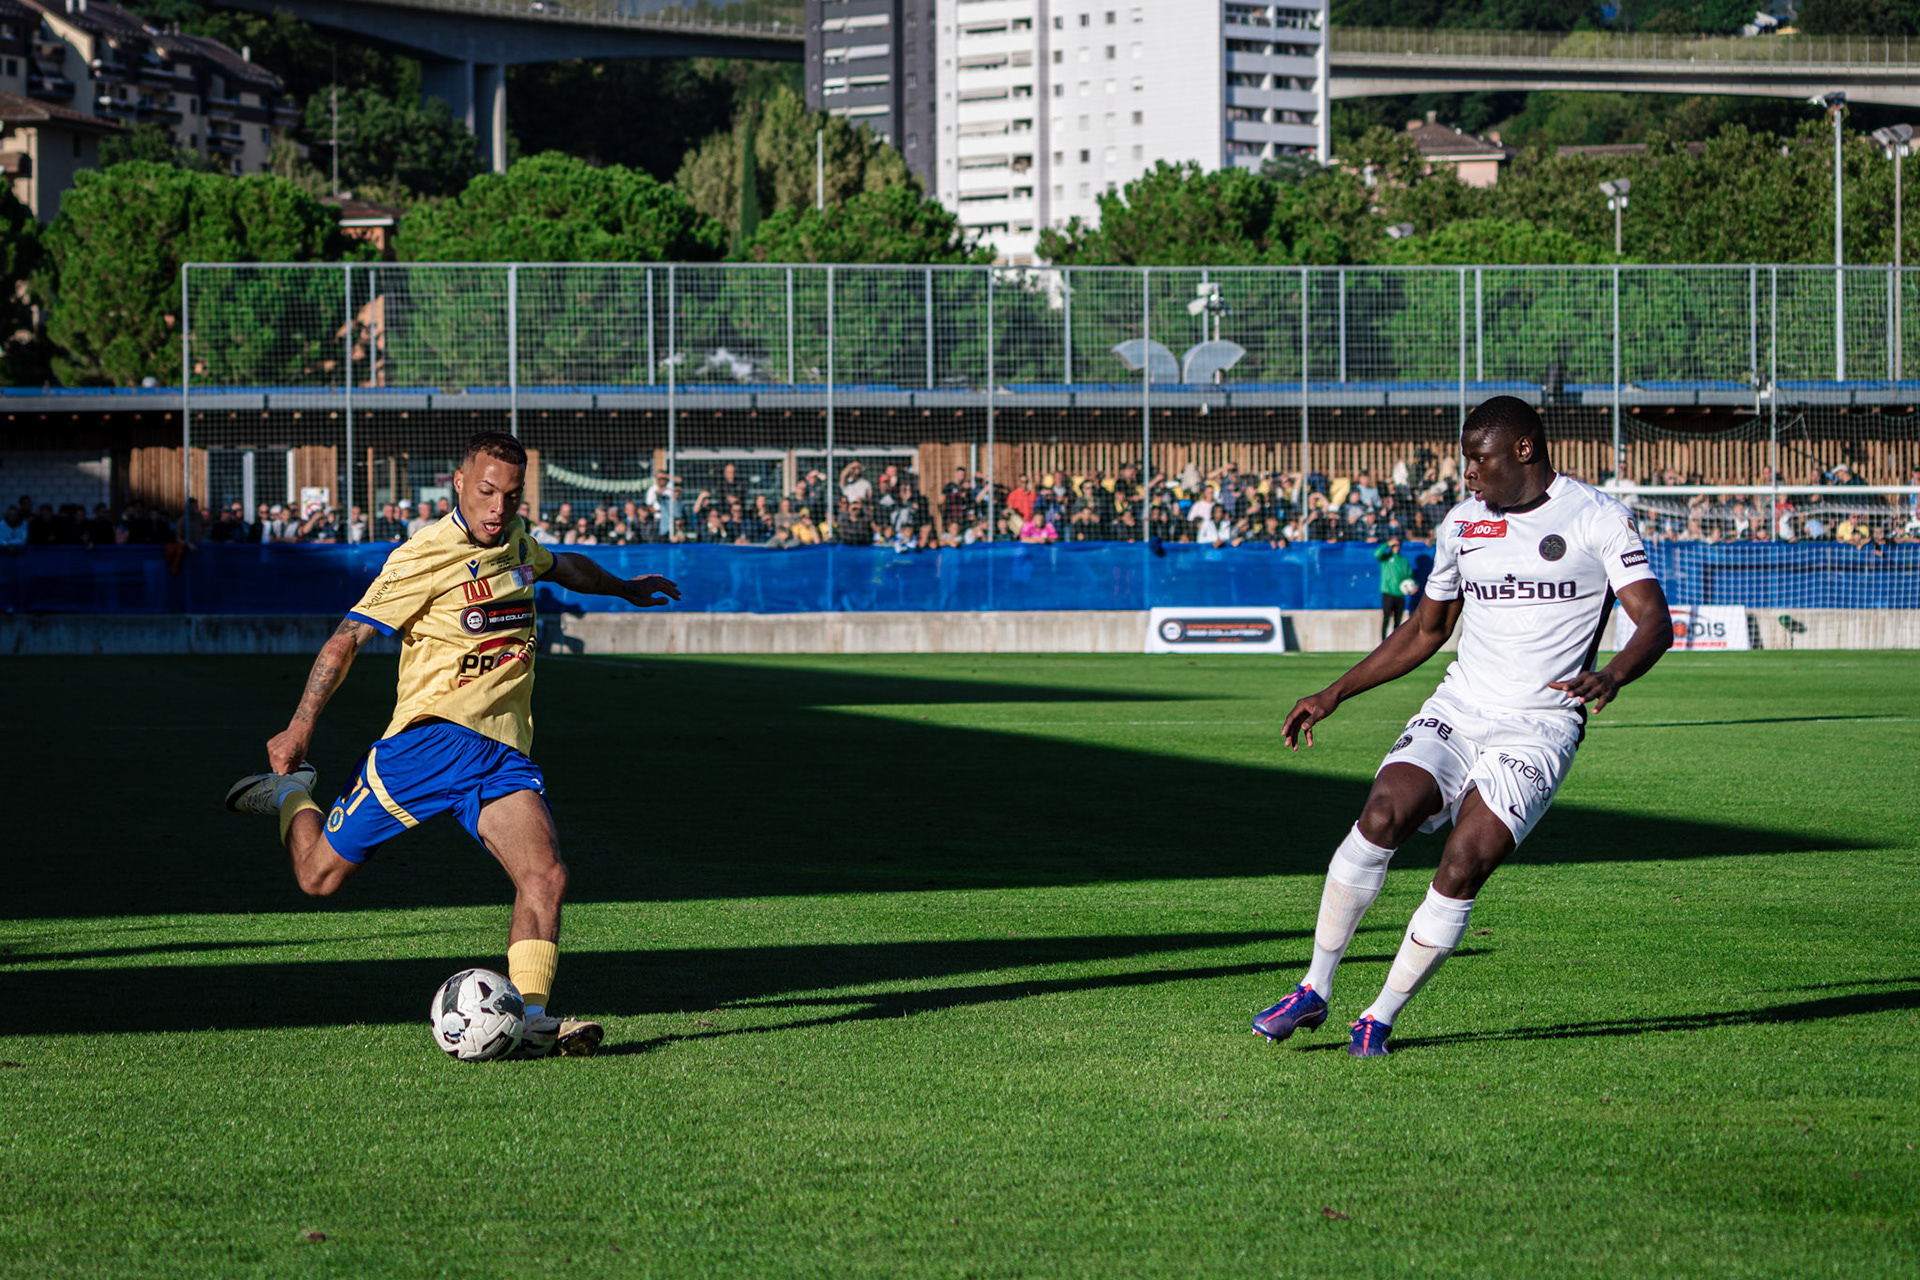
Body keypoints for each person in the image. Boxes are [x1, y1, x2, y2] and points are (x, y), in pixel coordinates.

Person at [223, 431, 681, 1059]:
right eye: (487, 492)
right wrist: (301, 726)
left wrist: (624, 586)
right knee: (317, 878)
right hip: (428, 742)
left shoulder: (517, 540)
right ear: (459, 483)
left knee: (544, 875)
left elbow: (563, 564)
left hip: (500, 753)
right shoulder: (423, 555)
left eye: (511, 497)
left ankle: (535, 1021)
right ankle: (289, 794)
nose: (498, 508)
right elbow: (345, 640)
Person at [1252, 397, 1673, 1058]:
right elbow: (1427, 630)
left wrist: (1615, 673)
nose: (1468, 472)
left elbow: (1654, 620)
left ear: (1525, 449)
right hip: (1459, 710)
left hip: (1538, 729)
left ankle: (1379, 1017)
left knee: (1463, 863)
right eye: (1465, 458)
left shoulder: (1596, 518)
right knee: (1383, 814)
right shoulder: (1462, 525)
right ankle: (1313, 988)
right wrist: (1335, 692)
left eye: (1480, 457)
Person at [1375, 537, 1413, 642]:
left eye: (1397, 545)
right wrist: (1387, 544)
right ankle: (1383, 642)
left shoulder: (1403, 560)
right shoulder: (1386, 558)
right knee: (1386, 617)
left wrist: (1413, 586)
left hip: (1399, 594)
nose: (1395, 547)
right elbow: (1377, 554)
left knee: (1398, 621)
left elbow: (1408, 576)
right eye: (1393, 545)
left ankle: (1395, 643)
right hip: (1388, 592)